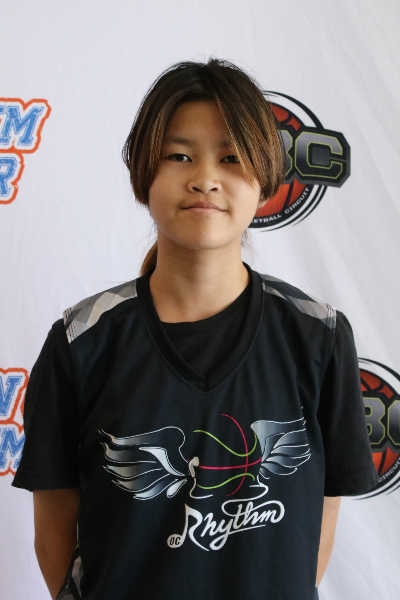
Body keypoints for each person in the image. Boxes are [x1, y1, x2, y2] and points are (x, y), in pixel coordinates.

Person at [12, 58, 378, 600]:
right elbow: (54, 528)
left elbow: (319, 521)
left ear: (264, 179)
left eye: (231, 158)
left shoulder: (317, 337)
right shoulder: (81, 341)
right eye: (179, 156)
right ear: (144, 175)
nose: (205, 178)